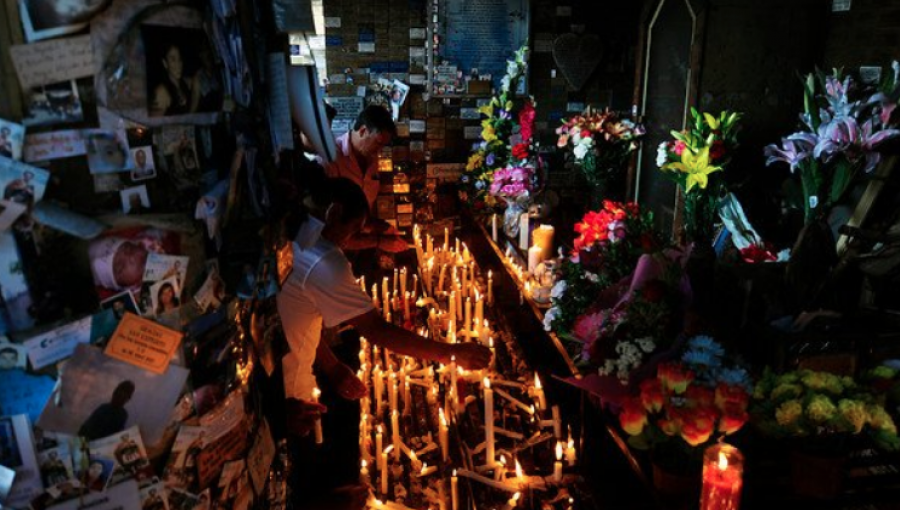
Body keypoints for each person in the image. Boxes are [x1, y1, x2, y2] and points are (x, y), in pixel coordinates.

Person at [277, 175, 491, 432]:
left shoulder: (292, 233)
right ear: (335, 213)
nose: (348, 241)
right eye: (354, 230)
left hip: (284, 377)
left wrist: (332, 366)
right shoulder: (323, 260)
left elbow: (298, 313)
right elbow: (376, 329)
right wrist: (451, 353)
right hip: (289, 396)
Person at [321, 105, 406, 254]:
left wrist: (380, 227)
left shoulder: (371, 158)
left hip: (360, 248)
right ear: (363, 131)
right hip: (332, 252)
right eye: (378, 143)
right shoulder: (330, 158)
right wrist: (379, 241)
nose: (379, 150)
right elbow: (329, 231)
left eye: (383, 145)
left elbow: (361, 214)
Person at [149, 44, 196, 117]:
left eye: (179, 59)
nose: (178, 64)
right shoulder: (161, 92)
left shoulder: (186, 83)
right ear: (165, 63)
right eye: (173, 60)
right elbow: (153, 125)